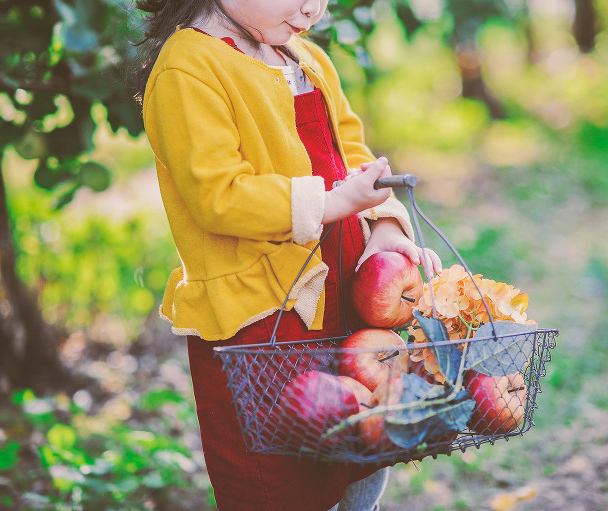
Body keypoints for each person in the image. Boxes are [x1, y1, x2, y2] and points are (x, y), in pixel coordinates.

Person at [134, 0, 442, 509]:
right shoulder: (188, 67)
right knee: (275, 477)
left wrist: (384, 225)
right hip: (263, 320)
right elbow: (219, 195)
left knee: (361, 438)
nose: (311, 7)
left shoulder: (308, 60)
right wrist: (332, 201)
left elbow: (354, 156)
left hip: (345, 296)